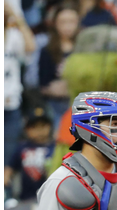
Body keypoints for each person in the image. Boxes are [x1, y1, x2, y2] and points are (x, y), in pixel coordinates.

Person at [39, 3, 80, 134]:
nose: (67, 26)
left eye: (71, 22)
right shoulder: (47, 50)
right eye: (63, 22)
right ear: (55, 24)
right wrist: (51, 89)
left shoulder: (85, 49)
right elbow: (42, 84)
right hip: (56, 105)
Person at [5, 0, 37, 165]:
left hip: (10, 105)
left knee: (7, 159)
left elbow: (31, 47)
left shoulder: (13, 36)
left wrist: (14, 15)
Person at [4, 108, 56, 202]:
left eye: (43, 126)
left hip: (50, 196)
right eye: (34, 127)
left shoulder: (55, 147)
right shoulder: (23, 147)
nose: (39, 130)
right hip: (26, 197)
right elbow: (11, 165)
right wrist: (6, 175)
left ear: (50, 126)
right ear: (27, 129)